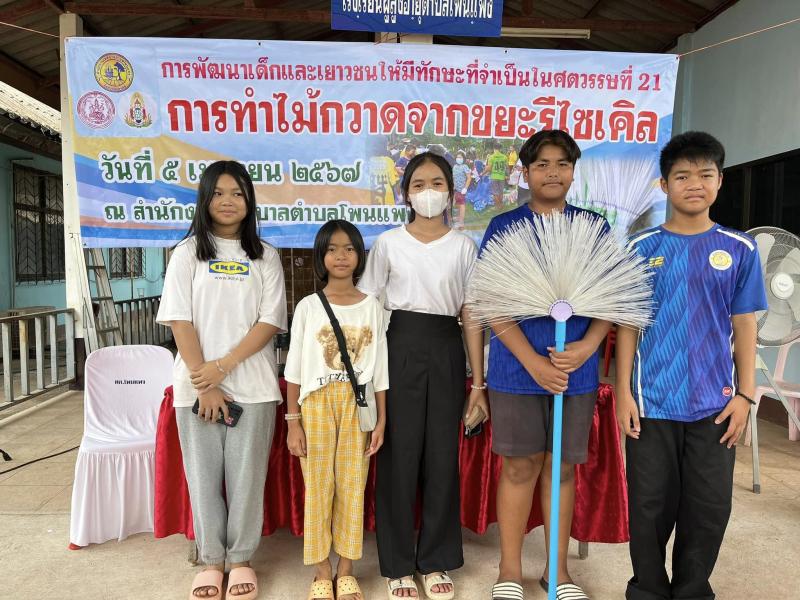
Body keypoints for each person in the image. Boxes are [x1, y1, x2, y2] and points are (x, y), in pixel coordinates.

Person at [616, 131, 768, 600]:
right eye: (682, 176)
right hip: (652, 404)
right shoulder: (639, 247)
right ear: (665, 185)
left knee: (707, 509)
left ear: (720, 181)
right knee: (649, 508)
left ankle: (692, 591)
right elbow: (628, 325)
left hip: (715, 407)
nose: (694, 184)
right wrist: (623, 392)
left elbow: (744, 324)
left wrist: (746, 395)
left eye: (705, 174)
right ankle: (647, 590)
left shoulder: (739, 249)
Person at [482, 130, 610, 600]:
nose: (552, 172)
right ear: (525, 172)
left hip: (575, 373)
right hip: (517, 372)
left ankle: (557, 572)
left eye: (562, 164)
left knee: (562, 469)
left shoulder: (593, 227)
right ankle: (509, 570)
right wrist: (532, 361)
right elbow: (492, 305)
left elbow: (612, 299)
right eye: (541, 164)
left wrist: (588, 347)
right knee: (519, 467)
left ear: (574, 171)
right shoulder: (504, 227)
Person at [359, 152, 489, 600]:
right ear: (406, 193)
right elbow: (369, 308)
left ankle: (435, 558)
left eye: (437, 183)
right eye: (418, 184)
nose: (428, 192)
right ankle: (397, 564)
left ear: (451, 192)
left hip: (447, 347)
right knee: (398, 455)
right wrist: (367, 373)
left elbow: (471, 313)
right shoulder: (388, 243)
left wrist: (478, 383)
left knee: (441, 456)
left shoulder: (464, 247)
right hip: (398, 345)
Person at [156, 160, 287, 600]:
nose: (227, 201)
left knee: (247, 479)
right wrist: (206, 384)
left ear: (249, 200)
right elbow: (180, 320)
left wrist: (224, 366)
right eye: (217, 193)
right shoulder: (186, 253)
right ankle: (212, 560)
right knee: (203, 478)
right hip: (196, 389)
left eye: (237, 193)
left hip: (255, 386)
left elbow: (270, 321)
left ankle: (242, 559)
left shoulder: (265, 255)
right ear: (204, 199)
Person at [284, 220, 388, 600]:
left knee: (352, 486)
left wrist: (381, 420)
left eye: (349, 249)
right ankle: (321, 570)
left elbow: (380, 369)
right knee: (318, 487)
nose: (340, 256)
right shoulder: (309, 307)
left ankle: (346, 569)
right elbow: (294, 368)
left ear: (359, 255)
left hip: (357, 404)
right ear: (321, 256)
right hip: (315, 405)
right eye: (332, 249)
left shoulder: (372, 307)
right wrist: (293, 421)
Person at [483, 141, 509, 208]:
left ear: (494, 148)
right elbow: (507, 167)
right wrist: (508, 175)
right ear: (500, 148)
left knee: (495, 193)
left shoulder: (491, 157)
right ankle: (501, 204)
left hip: (494, 177)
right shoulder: (504, 157)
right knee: (501, 192)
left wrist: (483, 173)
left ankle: (498, 206)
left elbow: (489, 168)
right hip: (502, 177)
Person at [452, 150, 472, 230]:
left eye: (460, 157)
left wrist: (465, 188)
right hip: (455, 189)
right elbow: (453, 177)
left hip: (462, 190)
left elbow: (469, 178)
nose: (458, 158)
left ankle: (461, 222)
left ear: (463, 158)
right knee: (457, 204)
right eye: (457, 157)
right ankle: (458, 217)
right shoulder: (454, 167)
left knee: (462, 204)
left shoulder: (465, 166)